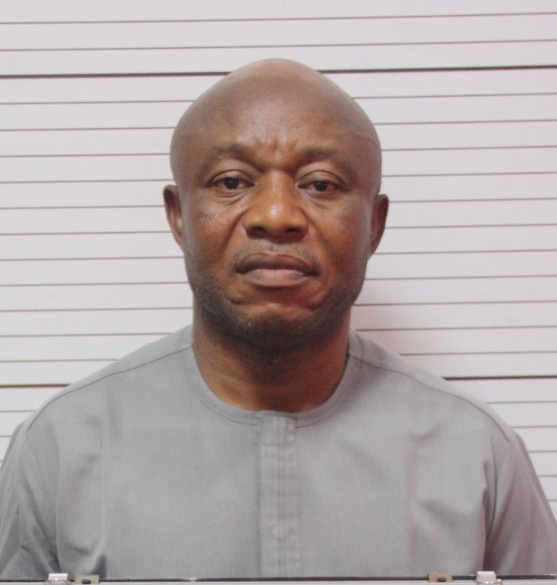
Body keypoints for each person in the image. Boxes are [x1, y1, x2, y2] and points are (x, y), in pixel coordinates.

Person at [0, 59, 556, 580]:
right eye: (231, 182)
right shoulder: (60, 448)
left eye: (321, 184)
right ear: (178, 216)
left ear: (374, 225)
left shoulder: (477, 454)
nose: (275, 215)